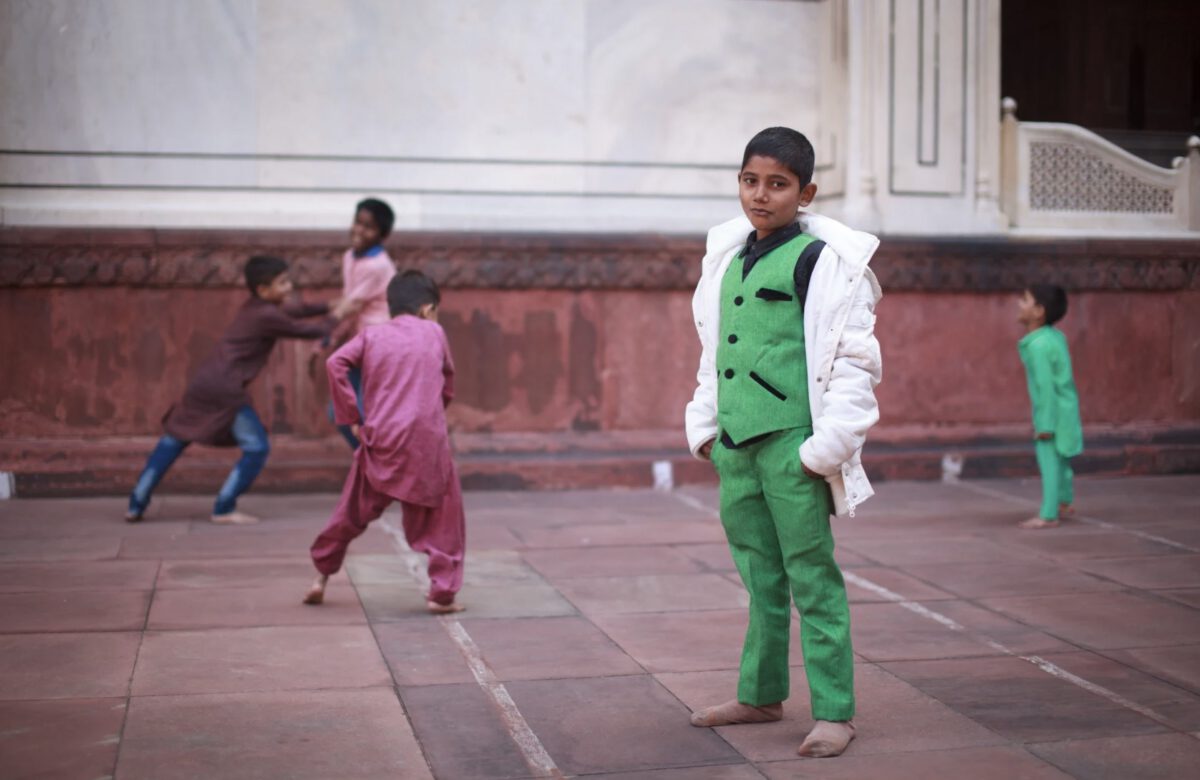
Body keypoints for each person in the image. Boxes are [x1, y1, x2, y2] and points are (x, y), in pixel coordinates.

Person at [683, 127, 882, 759]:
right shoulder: (727, 257)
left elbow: (851, 362)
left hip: (792, 445)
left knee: (812, 577)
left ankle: (835, 711)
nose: (760, 196)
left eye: (777, 184)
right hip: (736, 447)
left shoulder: (821, 263)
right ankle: (761, 693)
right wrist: (708, 433)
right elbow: (715, 353)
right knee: (758, 576)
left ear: (806, 192)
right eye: (750, 181)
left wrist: (822, 450)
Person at [126, 255, 349, 525]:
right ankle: (224, 507)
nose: (289, 287)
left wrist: (327, 305)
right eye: (283, 283)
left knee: (175, 438)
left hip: (205, 382)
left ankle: (136, 503)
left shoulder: (255, 308)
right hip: (226, 388)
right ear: (263, 290)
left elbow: (294, 310)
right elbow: (306, 330)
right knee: (256, 447)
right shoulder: (266, 315)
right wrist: (338, 314)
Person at [304, 270, 466, 614]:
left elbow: (336, 363)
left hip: (381, 439)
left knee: (350, 511)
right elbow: (447, 383)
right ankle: (442, 594)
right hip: (427, 444)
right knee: (443, 516)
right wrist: (433, 413)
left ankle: (320, 577)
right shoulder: (435, 332)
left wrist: (352, 418)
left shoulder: (372, 335)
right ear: (427, 309)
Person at [326, 197, 398, 449]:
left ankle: (379, 465)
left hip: (379, 347)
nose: (359, 230)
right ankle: (371, 463)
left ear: (381, 234)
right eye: (358, 222)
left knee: (362, 415)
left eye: (369, 227)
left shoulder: (377, 265)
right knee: (340, 413)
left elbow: (350, 305)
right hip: (360, 344)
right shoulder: (350, 257)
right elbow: (350, 301)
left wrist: (322, 329)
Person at [1016, 283, 1083, 529]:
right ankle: (1065, 501)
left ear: (1038, 311)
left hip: (1051, 415)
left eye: (1025, 300)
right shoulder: (1055, 337)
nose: (1019, 304)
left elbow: (1045, 388)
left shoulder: (1037, 346)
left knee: (1050, 462)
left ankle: (1048, 513)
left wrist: (1044, 424)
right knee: (1063, 459)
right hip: (1066, 409)